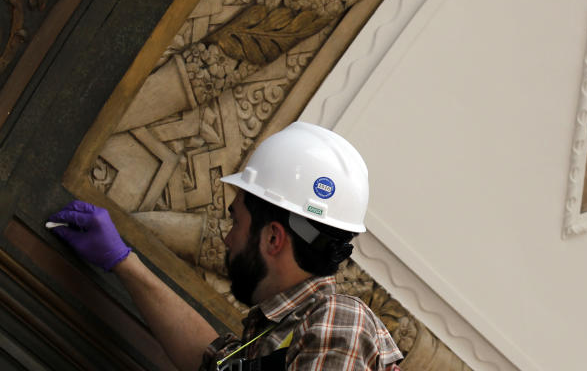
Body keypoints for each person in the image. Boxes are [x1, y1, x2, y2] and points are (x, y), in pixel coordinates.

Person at [49, 122, 403, 371]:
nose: (227, 237)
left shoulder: (336, 321)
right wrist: (123, 262)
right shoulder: (282, 329)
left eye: (236, 221)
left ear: (273, 238)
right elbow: (209, 359)